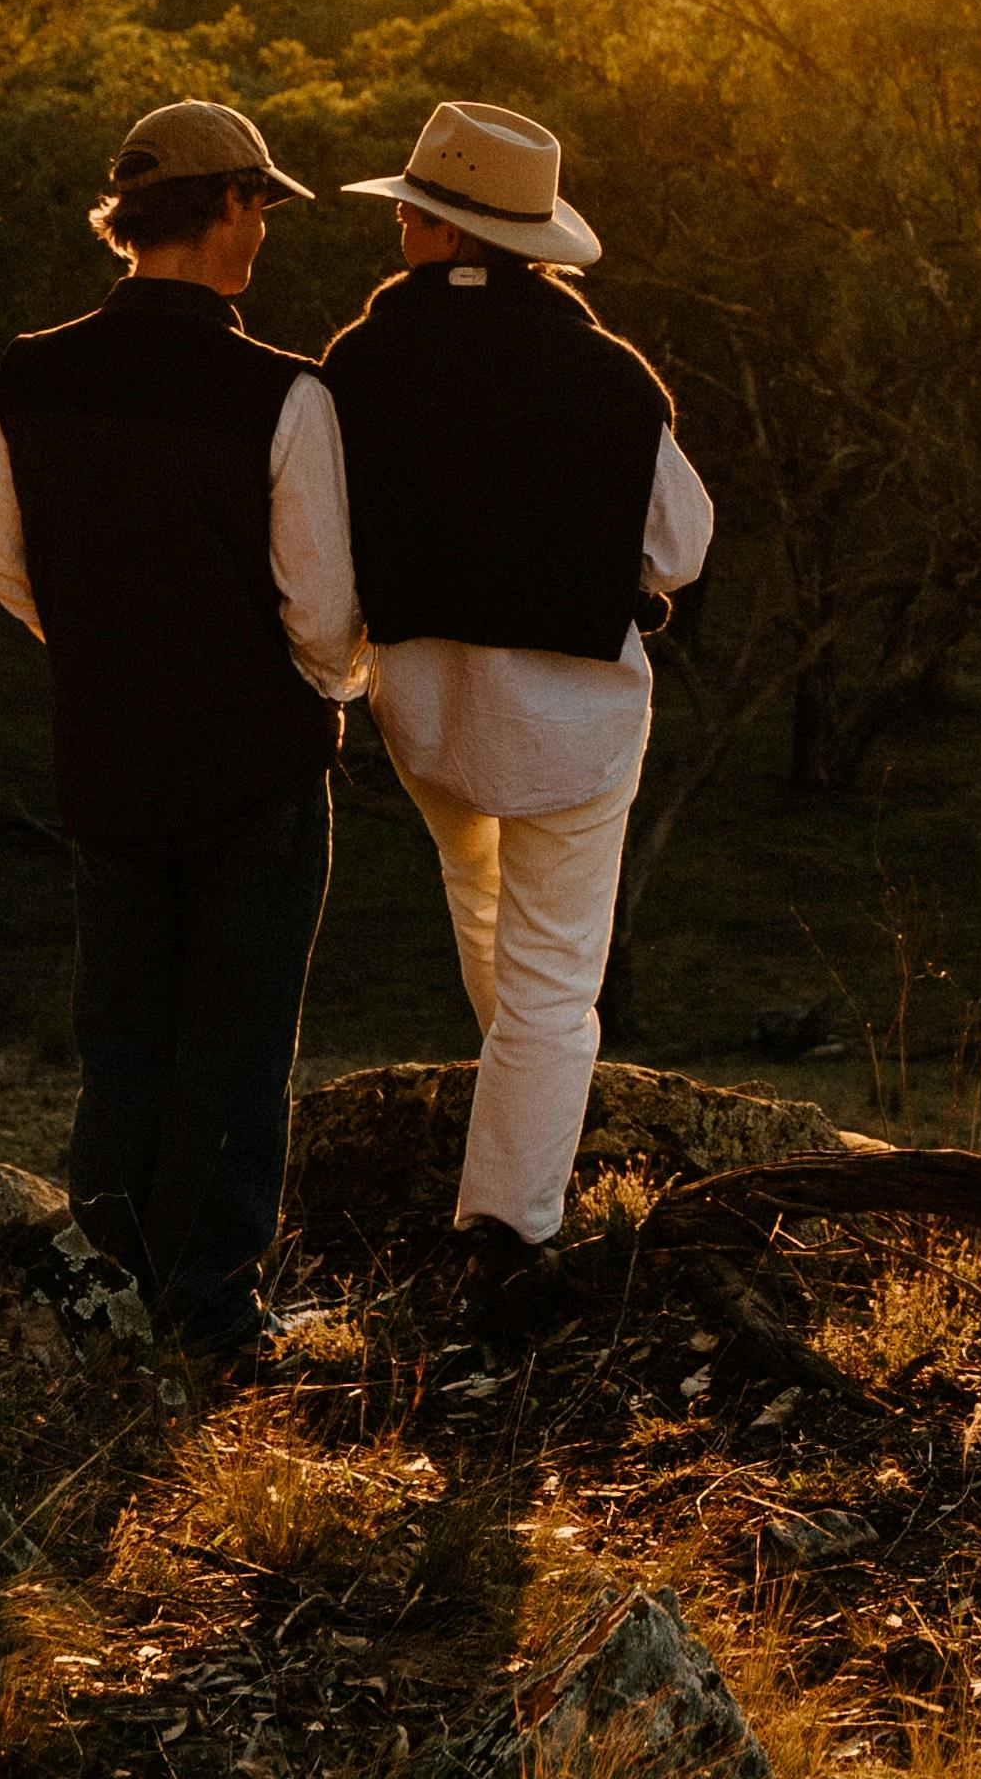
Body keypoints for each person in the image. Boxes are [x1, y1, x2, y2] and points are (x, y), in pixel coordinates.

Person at [0, 99, 361, 1367]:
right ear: (229, 209)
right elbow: (322, 613)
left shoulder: (32, 372)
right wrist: (330, 691)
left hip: (105, 750)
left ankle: (102, 1304)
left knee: (122, 1033)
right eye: (262, 207)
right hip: (253, 762)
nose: (265, 234)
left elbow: (12, 573)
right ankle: (209, 1312)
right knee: (236, 1041)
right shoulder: (282, 394)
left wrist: (111, 654)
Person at [324, 98, 711, 1291]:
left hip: (430, 712)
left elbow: (323, 537)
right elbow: (679, 546)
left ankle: (514, 1134)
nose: (397, 223)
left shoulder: (355, 363)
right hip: (574, 718)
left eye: (410, 210)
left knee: (483, 913)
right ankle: (508, 1225)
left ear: (442, 233)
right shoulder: (609, 376)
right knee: (554, 978)